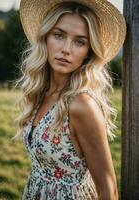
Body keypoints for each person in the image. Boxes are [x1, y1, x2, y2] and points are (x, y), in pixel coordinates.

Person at [12, 0, 126, 199]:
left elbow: (109, 189)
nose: (66, 49)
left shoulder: (81, 105)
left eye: (79, 41)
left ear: (88, 52)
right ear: (45, 38)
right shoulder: (42, 93)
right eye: (59, 35)